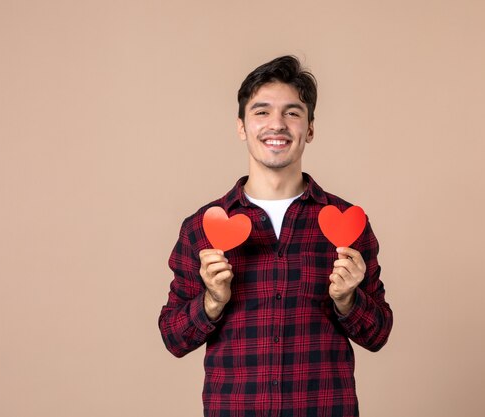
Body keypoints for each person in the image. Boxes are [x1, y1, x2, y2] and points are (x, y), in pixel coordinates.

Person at [159, 55, 393, 417]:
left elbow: (378, 335)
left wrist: (348, 300)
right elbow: (173, 338)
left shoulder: (348, 224)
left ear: (310, 128)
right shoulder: (201, 228)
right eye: (262, 112)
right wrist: (212, 302)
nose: (277, 125)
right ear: (241, 126)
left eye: (292, 112)